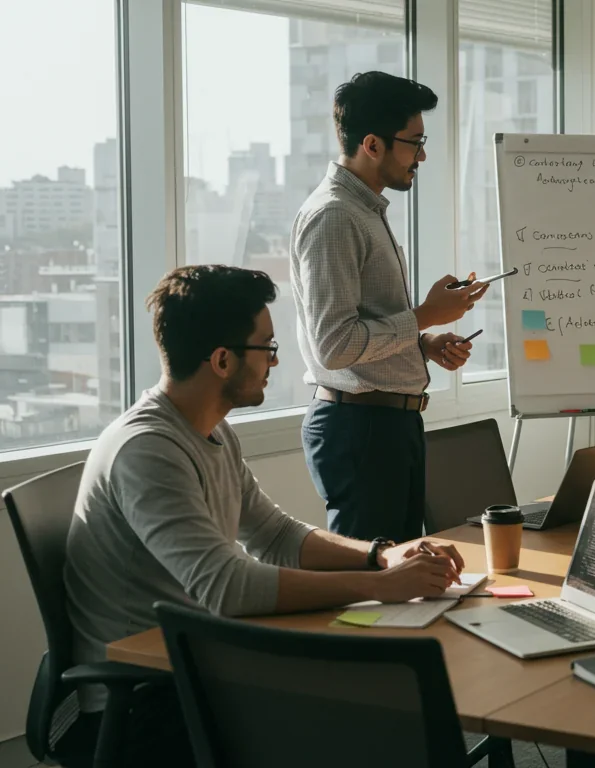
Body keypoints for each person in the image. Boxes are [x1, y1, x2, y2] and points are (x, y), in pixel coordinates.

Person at [64, 266, 463, 767]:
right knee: (370, 725)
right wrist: (380, 587)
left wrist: (381, 555)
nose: (276, 361)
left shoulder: (208, 429)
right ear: (223, 360)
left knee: (374, 713)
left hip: (205, 668)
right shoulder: (148, 450)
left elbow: (273, 534)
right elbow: (227, 588)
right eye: (267, 347)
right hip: (146, 703)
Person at [292, 71, 489, 542]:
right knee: (372, 596)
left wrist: (423, 342)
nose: (422, 155)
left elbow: (361, 325)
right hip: (361, 430)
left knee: (403, 582)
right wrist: (425, 315)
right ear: (373, 145)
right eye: (414, 142)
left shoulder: (363, 211)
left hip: (386, 425)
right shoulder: (335, 217)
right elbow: (335, 347)